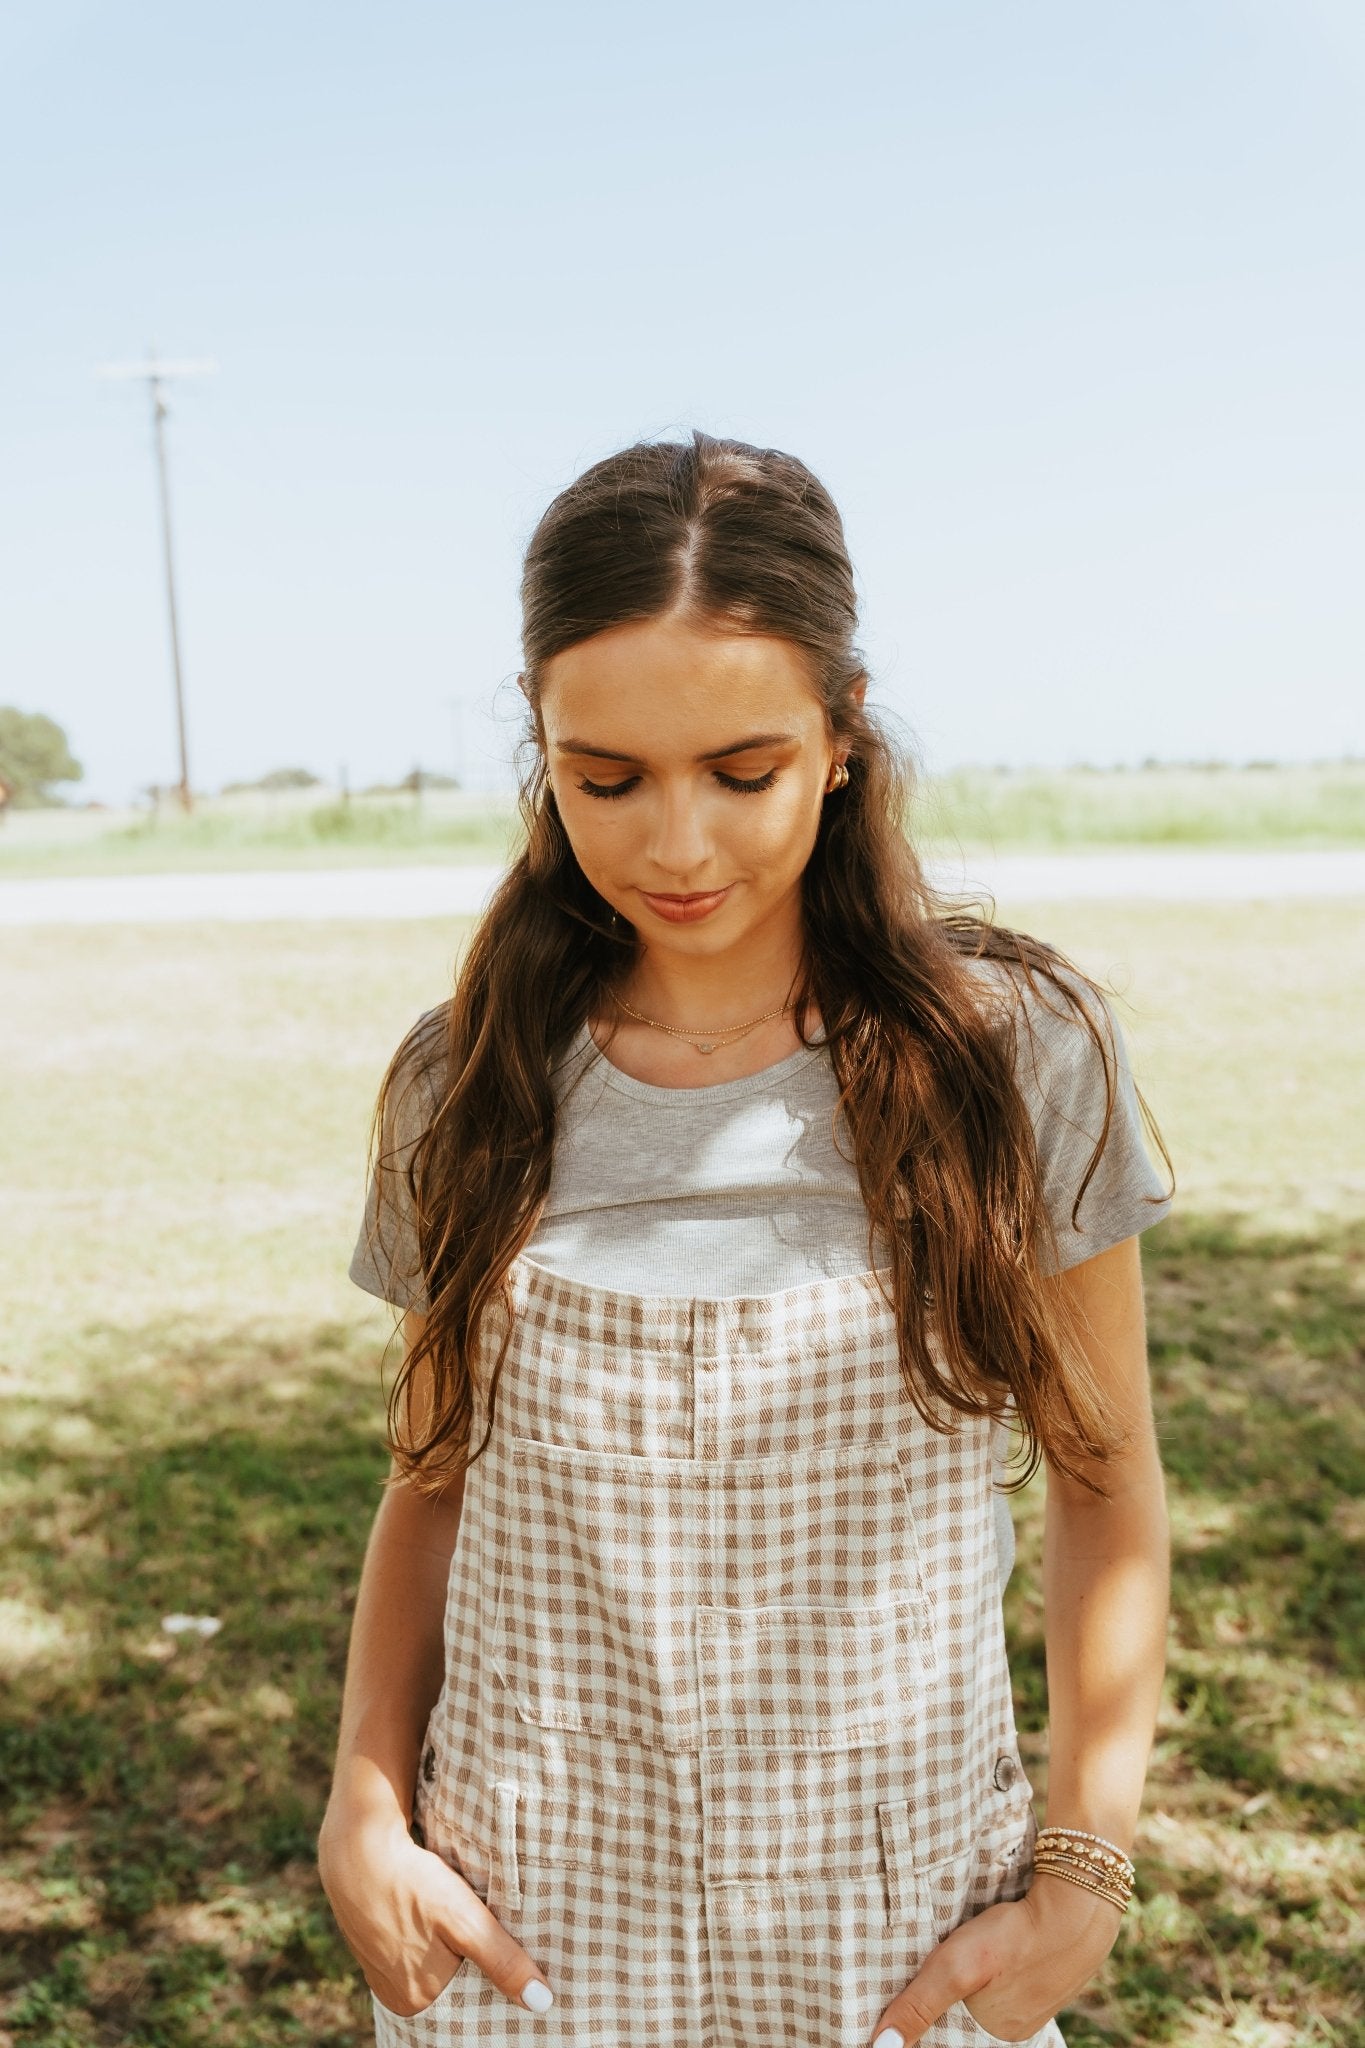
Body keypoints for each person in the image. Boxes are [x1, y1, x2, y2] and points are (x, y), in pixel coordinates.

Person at [317, 430, 1174, 2048]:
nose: (678, 849)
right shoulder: (466, 1080)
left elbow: (1105, 1483)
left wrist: (1082, 1866)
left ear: (842, 737)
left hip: (896, 1938)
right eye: (606, 779)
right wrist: (364, 1799)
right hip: (525, 1941)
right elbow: (429, 1481)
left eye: (741, 770)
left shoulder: (1017, 1053)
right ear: (539, 747)